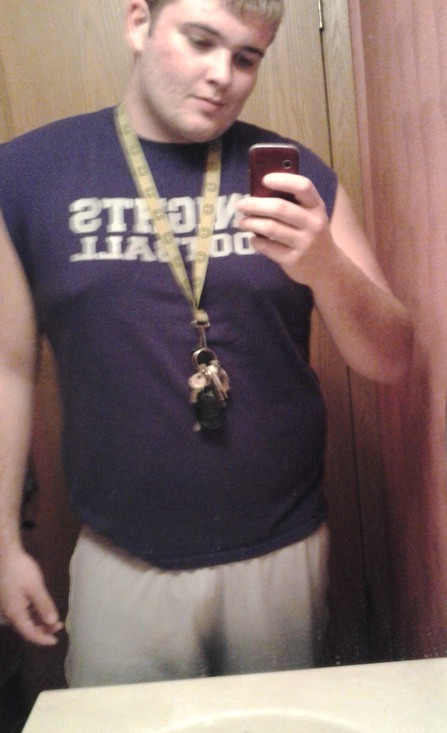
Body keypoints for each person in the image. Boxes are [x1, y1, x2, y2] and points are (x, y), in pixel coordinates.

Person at [0, 0, 412, 686]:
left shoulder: (296, 178)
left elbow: (392, 359)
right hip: (121, 558)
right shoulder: (26, 175)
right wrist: (3, 542)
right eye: (200, 41)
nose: (223, 74)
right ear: (139, 23)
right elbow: (9, 368)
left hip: (282, 551)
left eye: (247, 57)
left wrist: (324, 266)